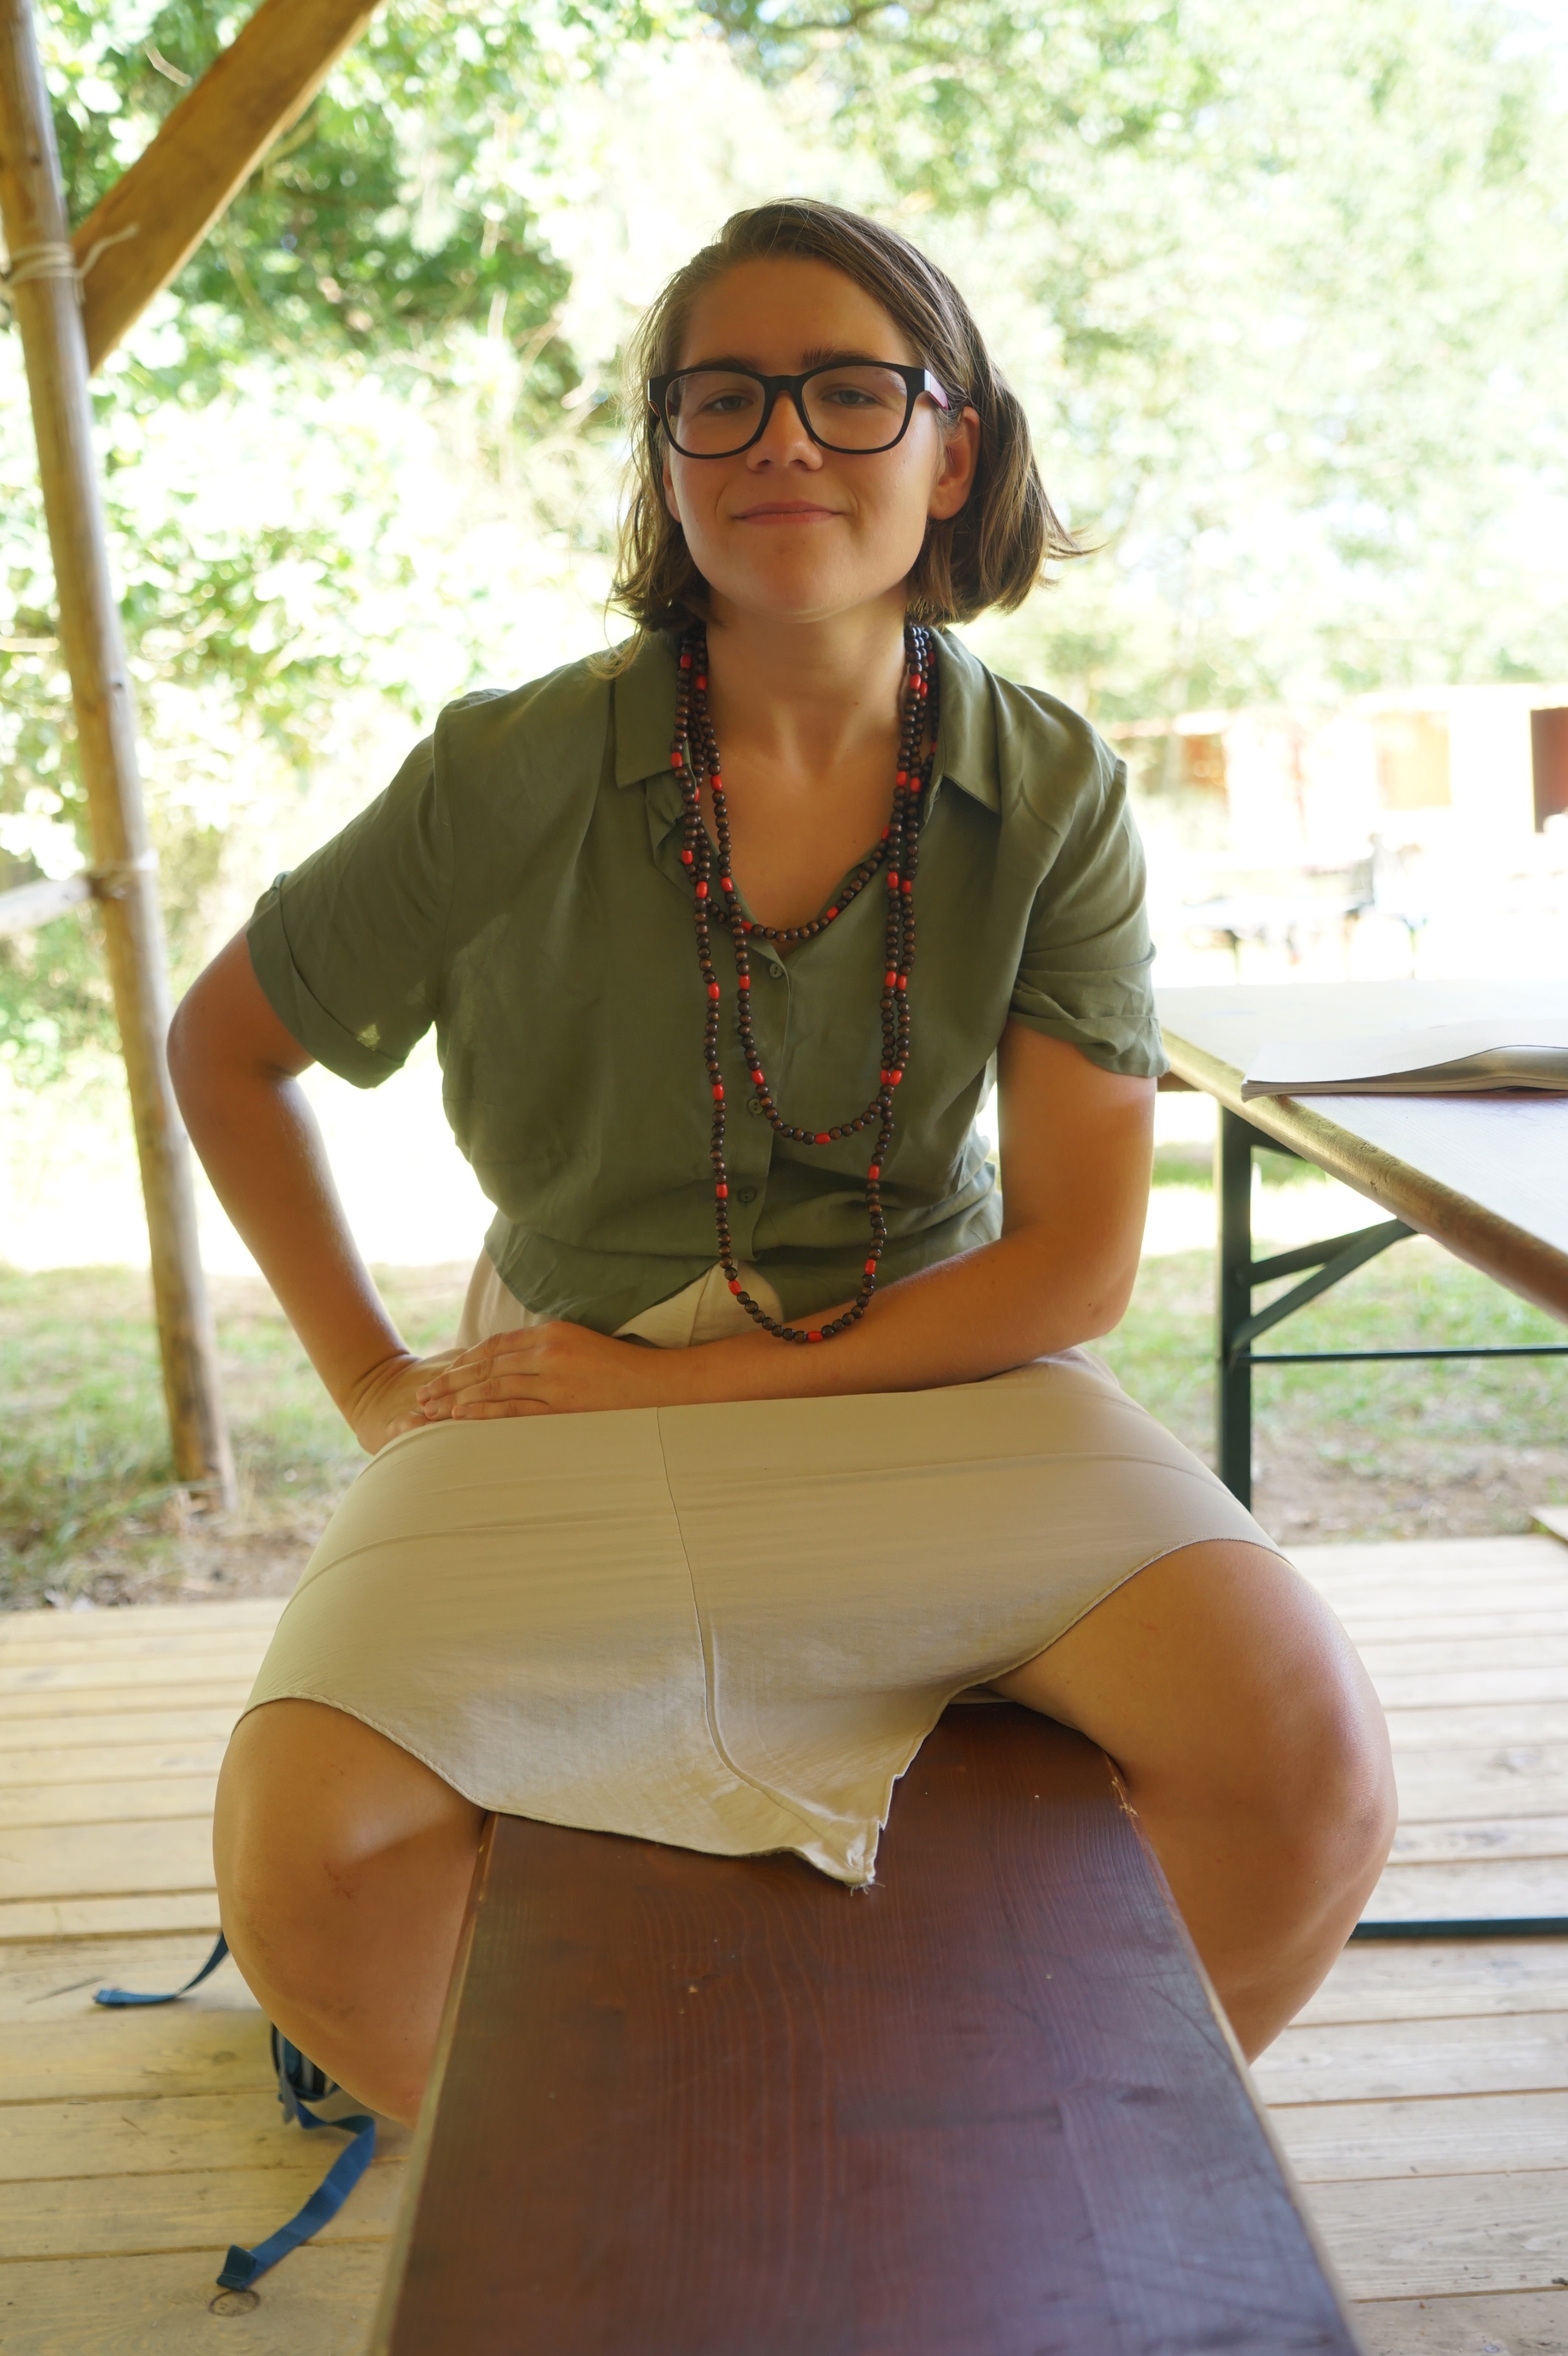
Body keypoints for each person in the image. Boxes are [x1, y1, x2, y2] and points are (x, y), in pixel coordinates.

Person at [171, 199, 1395, 2130]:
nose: (783, 443)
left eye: (848, 391)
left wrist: (691, 1388)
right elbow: (225, 1050)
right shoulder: (508, 767)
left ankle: (1006, 2159)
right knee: (306, 1847)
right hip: (563, 1366)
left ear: (953, 450)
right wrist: (379, 1386)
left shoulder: (1051, 787)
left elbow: (1073, 1270)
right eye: (720, 398)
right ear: (666, 456)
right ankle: (636, 2200)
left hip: (935, 1364)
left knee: (1302, 1756)